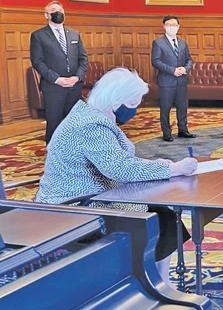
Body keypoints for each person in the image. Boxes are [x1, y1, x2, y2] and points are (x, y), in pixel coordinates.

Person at [34, 68, 197, 282]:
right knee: (161, 218)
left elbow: (116, 161)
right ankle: (155, 282)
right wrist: (173, 169)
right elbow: (120, 168)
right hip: (73, 208)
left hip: (91, 198)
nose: (135, 110)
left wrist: (155, 164)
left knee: (164, 216)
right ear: (116, 101)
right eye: (133, 104)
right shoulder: (90, 125)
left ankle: (158, 280)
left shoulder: (91, 114)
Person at [30, 1, 89, 143]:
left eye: (60, 11)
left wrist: (77, 77)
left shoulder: (75, 34)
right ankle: (53, 156)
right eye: (54, 11)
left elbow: (83, 58)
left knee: (75, 122)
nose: (58, 13)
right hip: (53, 87)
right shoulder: (38, 36)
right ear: (46, 15)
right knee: (54, 122)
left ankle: (74, 152)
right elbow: (37, 62)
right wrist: (57, 79)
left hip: (74, 86)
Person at [151, 15, 195, 142]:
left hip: (182, 80)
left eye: (174, 25)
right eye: (169, 25)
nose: (172, 27)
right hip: (166, 81)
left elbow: (189, 59)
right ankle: (167, 132)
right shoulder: (158, 43)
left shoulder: (183, 43)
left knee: (182, 106)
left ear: (178, 27)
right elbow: (156, 61)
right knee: (166, 107)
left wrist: (185, 69)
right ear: (164, 26)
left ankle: (183, 130)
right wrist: (172, 70)